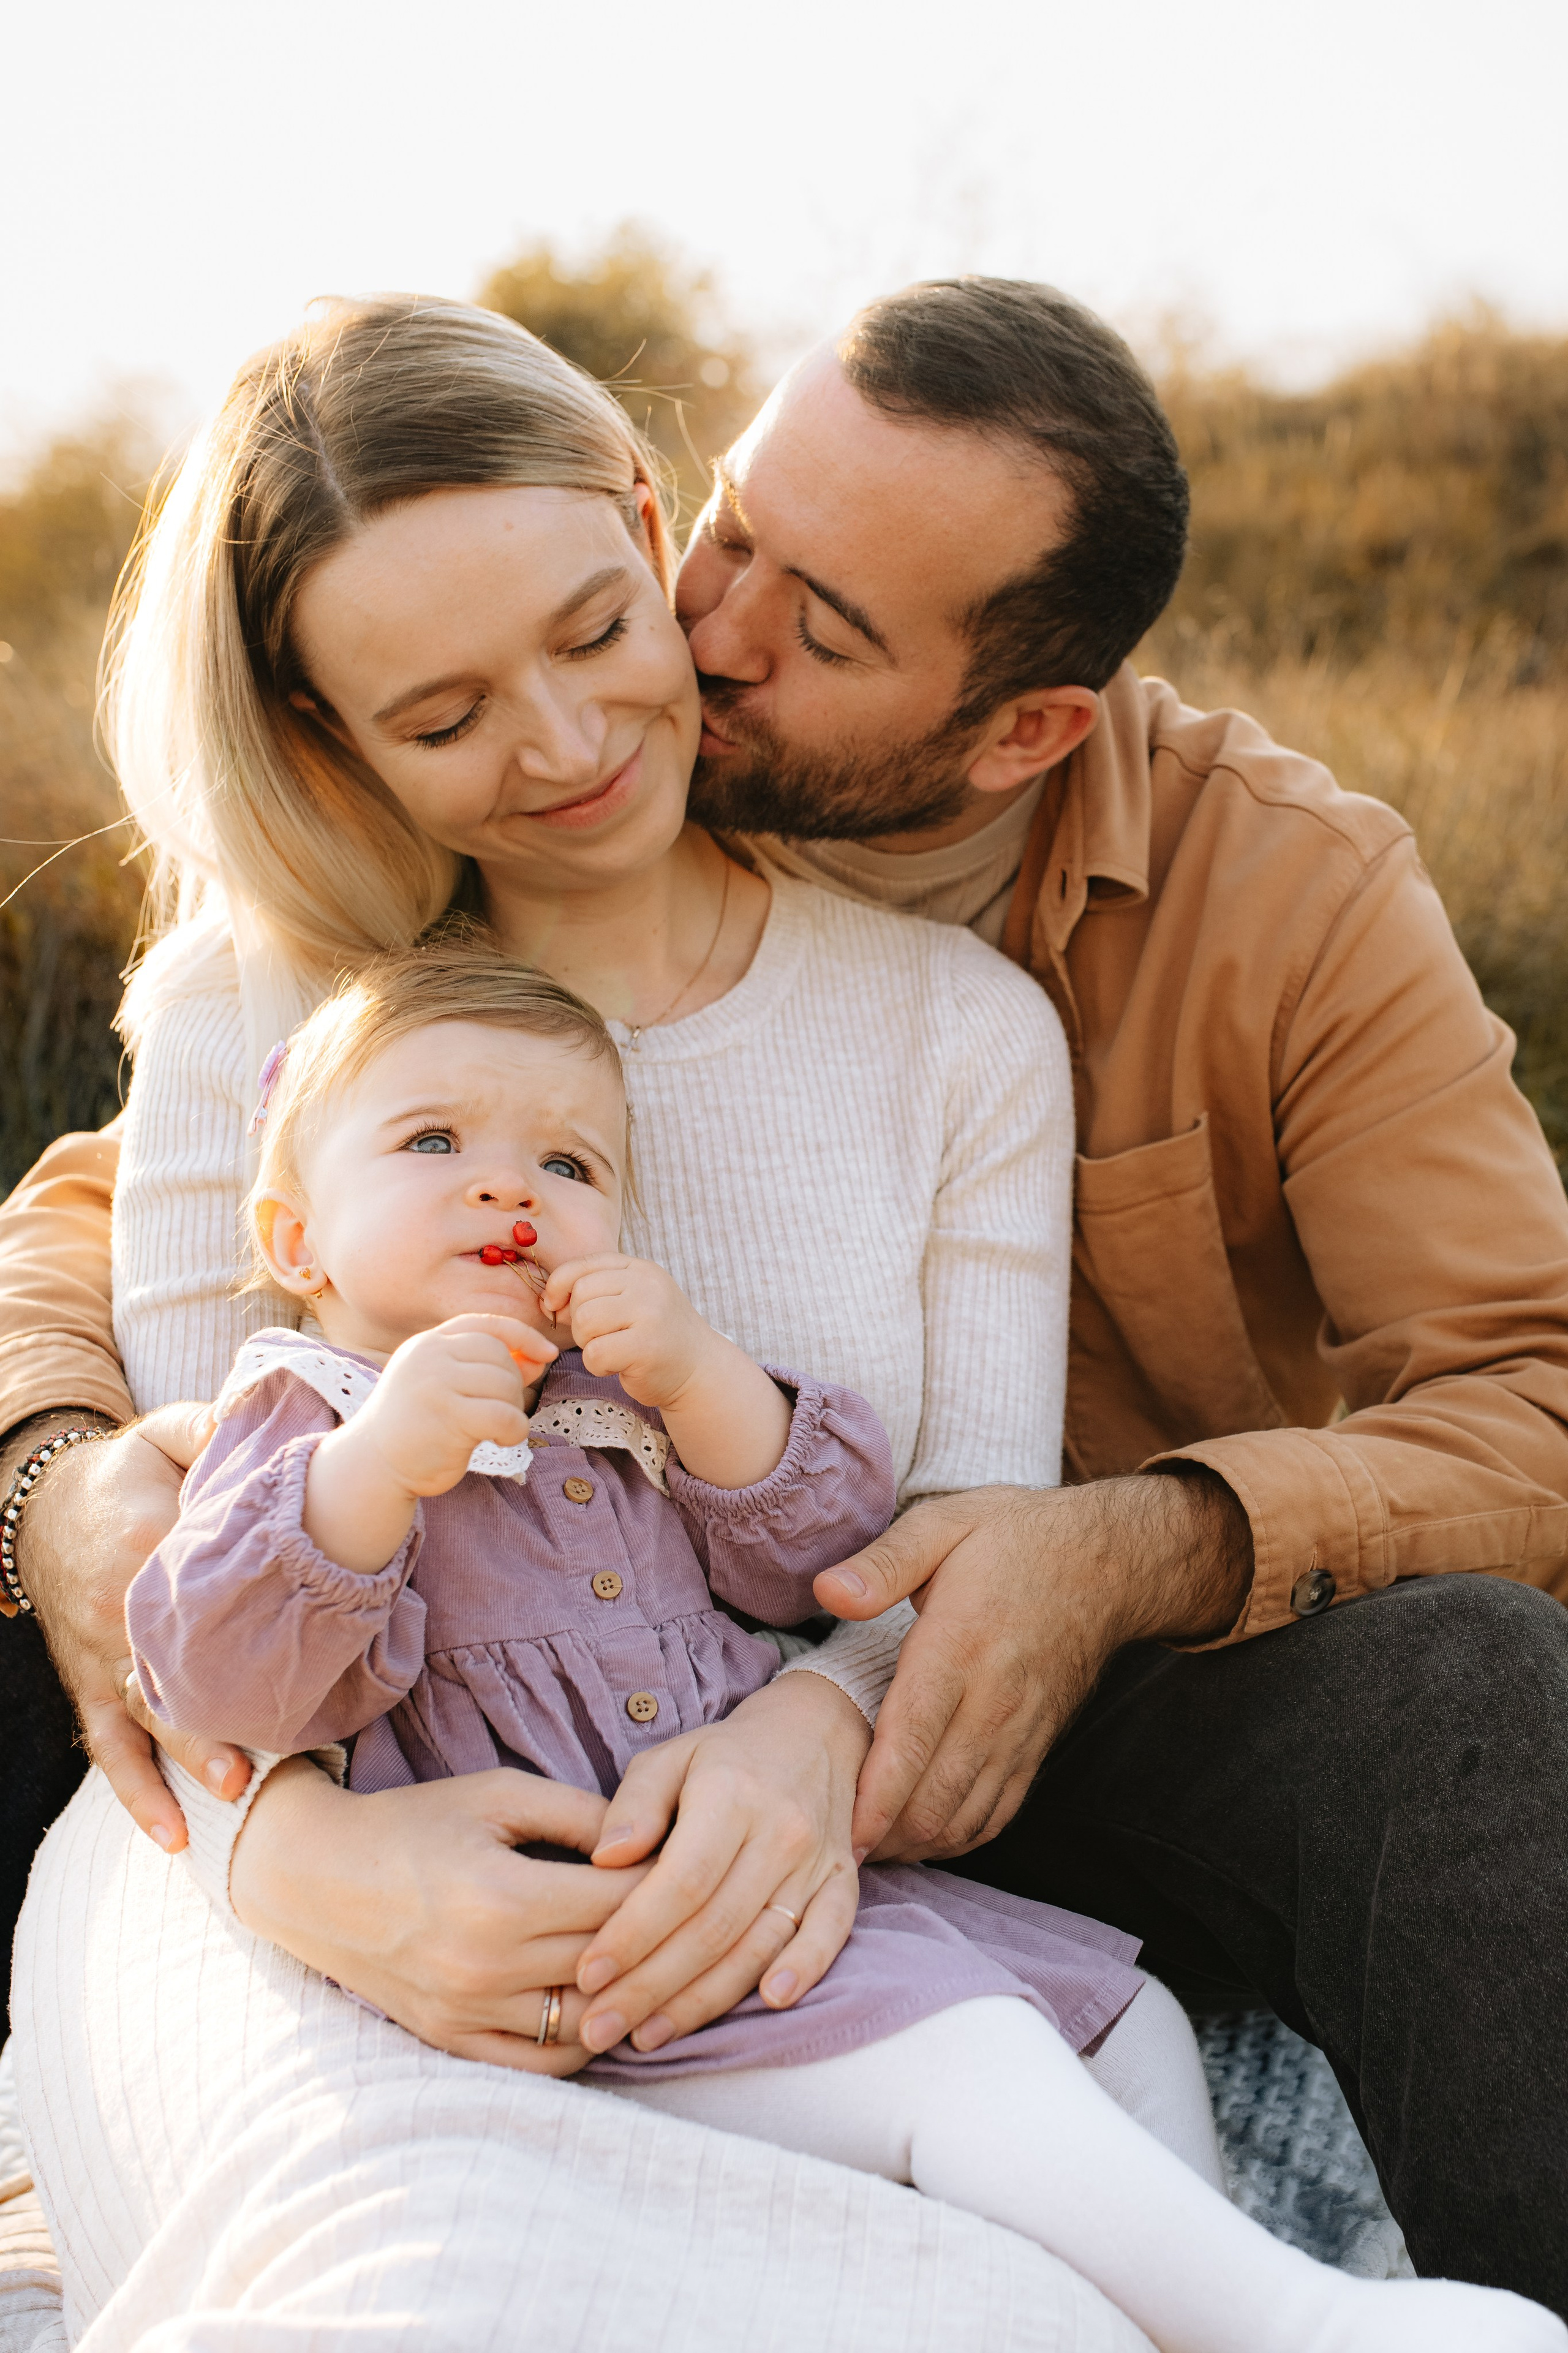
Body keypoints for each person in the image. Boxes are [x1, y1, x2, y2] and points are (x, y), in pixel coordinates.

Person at [6, 274, 1568, 2311]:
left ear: (1021, 729)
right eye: (733, 538)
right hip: (412, 1740)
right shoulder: (319, 977)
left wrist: (957, 1648)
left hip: (1005, 1683)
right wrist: (85, 1528)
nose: (691, 660)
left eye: (815, 631)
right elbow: (162, 1332)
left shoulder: (1153, 943)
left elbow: (1503, 1400)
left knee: (1456, 1704)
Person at [94, 944, 1562, 2353]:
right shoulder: (301, 1418)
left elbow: (830, 1561)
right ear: (295, 1240)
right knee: (973, 2062)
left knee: (1131, 2024)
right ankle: (1307, 2328)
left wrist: (704, 1380)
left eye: (570, 1164)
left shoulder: (614, 1397)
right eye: (431, 1141)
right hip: (601, 1941)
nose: (507, 1183)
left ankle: (1193, 2322)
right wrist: (371, 1474)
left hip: (798, 1876)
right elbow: (218, 1682)